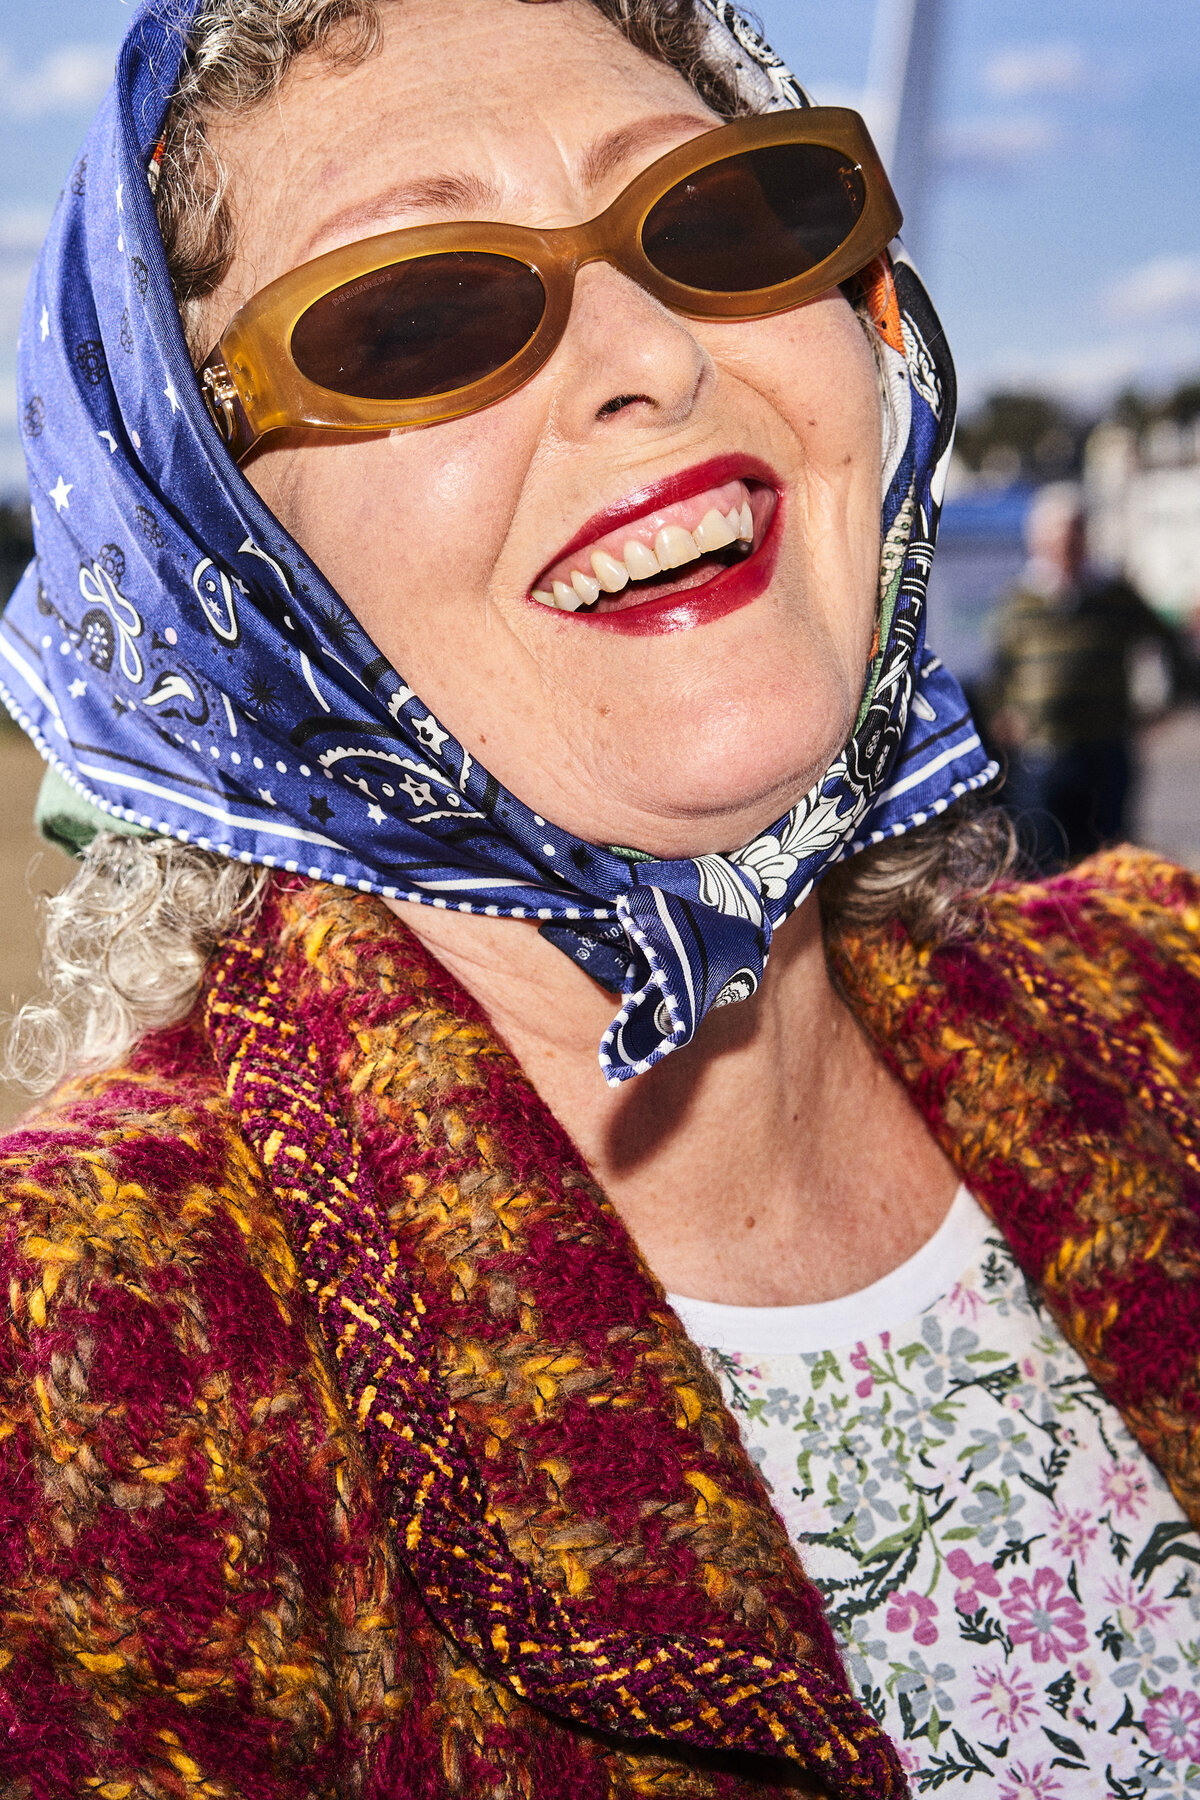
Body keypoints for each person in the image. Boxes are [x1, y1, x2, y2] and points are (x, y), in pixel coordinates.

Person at [2, 2, 1199, 1794]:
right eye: (415, 316)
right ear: (202, 546)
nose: (650, 354)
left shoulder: (1165, 993)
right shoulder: (81, 1358)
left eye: (724, 219)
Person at [985, 481, 1187, 870]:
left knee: (1108, 859)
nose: (1067, 545)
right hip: (1043, 753)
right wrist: (1003, 714)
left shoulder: (1114, 594)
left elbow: (1167, 641)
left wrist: (1167, 700)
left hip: (1106, 749)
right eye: (1058, 537)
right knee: (1045, 860)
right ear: (1039, 542)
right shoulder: (1020, 600)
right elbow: (998, 671)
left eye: (1075, 534)